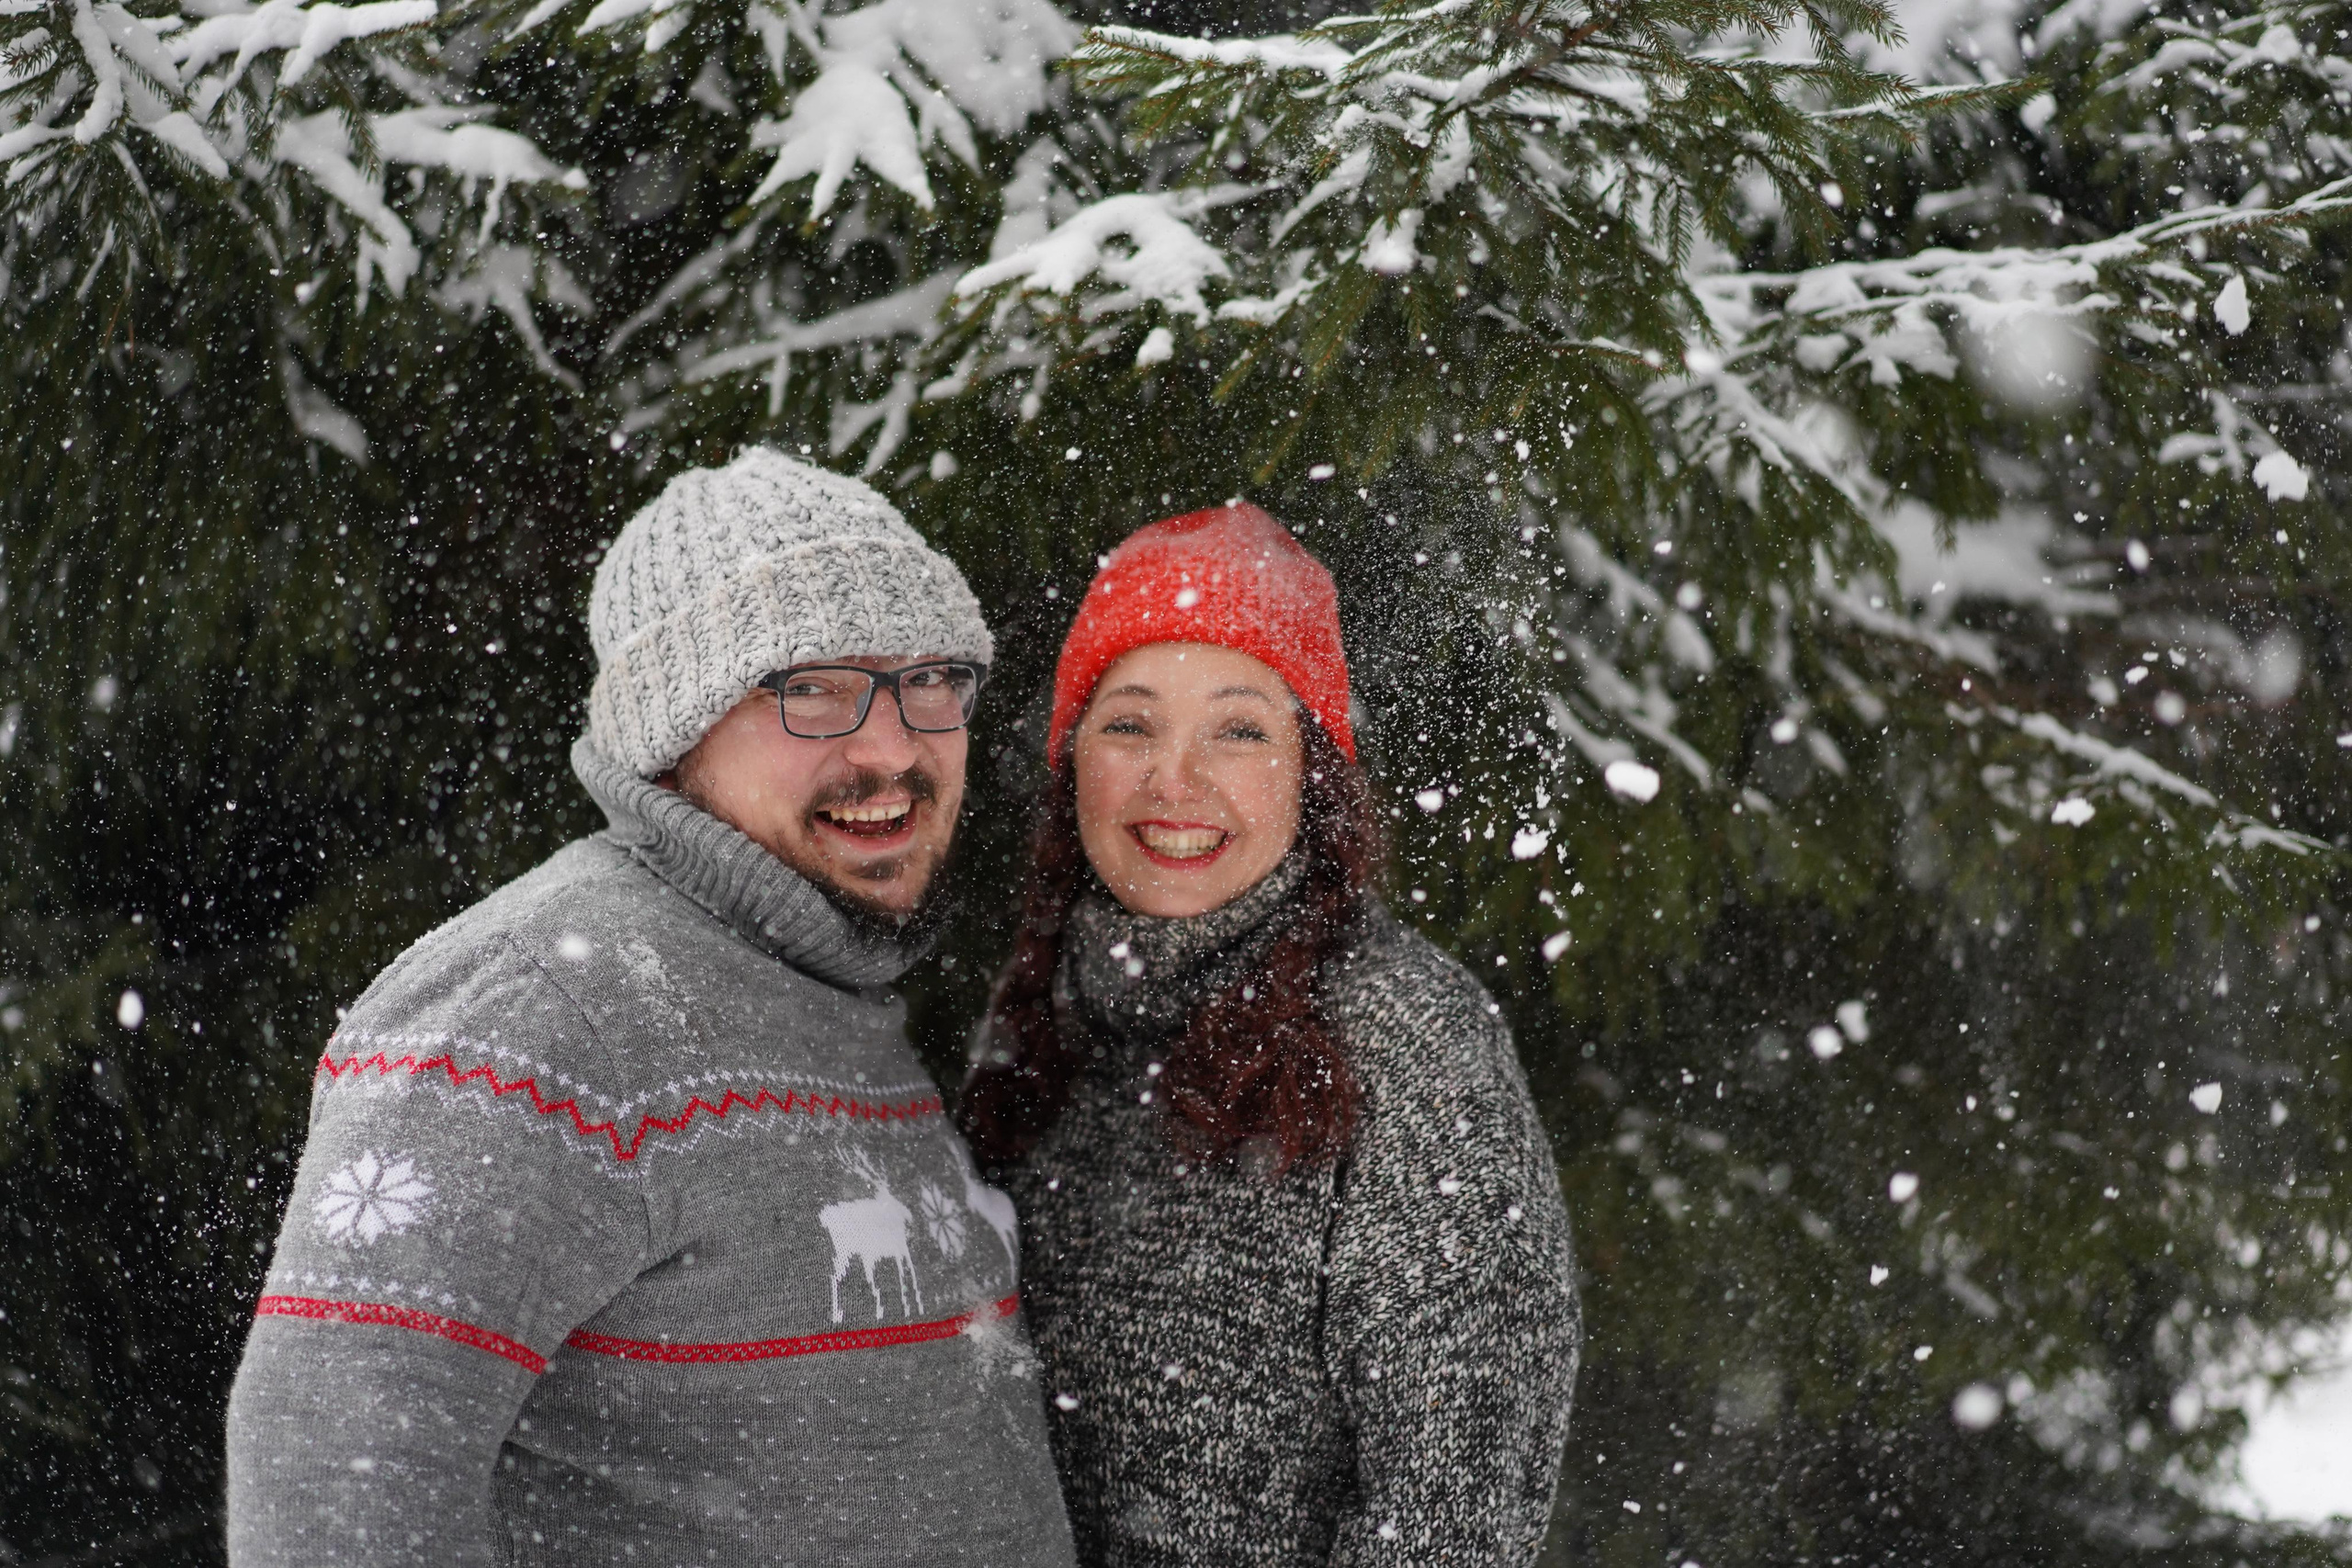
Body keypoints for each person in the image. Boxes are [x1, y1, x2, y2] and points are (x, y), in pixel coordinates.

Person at [226, 450, 1077, 1568]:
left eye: (929, 680)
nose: (890, 745)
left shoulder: (830, 990)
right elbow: (330, 1483)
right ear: (675, 738)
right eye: (811, 687)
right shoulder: (533, 1012)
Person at [962, 502, 1581, 1566]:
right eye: (1130, 723)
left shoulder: (1406, 1041)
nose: (1174, 778)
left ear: (1313, 773)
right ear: (1074, 770)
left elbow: (1454, 1521)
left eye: (1239, 728)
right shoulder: (1038, 1018)